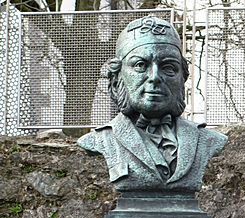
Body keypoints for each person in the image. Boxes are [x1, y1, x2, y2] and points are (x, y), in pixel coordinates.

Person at [78, 16, 227, 193]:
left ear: (182, 78)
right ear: (117, 79)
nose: (155, 77)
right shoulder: (99, 140)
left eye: (168, 67)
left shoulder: (209, 140)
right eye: (140, 65)